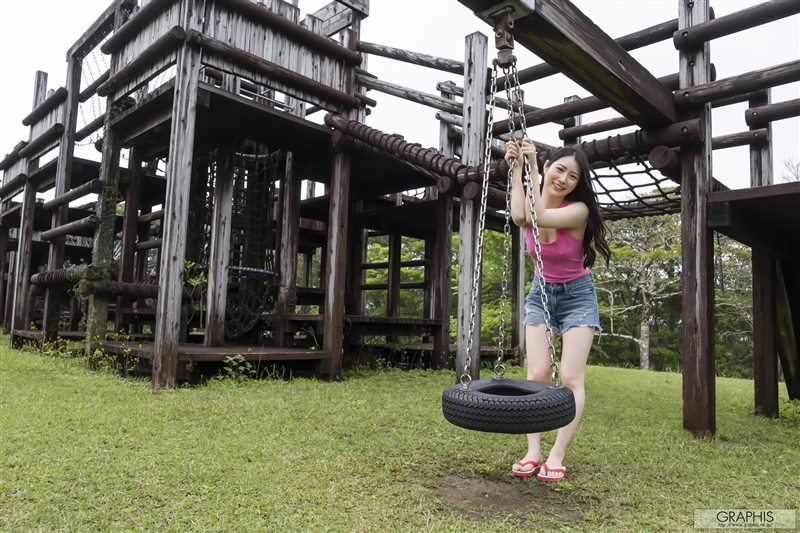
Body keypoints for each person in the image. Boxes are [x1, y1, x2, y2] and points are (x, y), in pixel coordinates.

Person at [504, 138, 611, 482]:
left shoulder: (577, 211)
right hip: (541, 293)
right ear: (550, 166)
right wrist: (517, 169)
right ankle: (533, 451)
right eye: (560, 169)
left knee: (570, 378)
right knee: (536, 373)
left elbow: (540, 217)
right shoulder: (533, 194)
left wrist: (534, 170)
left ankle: (557, 453)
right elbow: (520, 216)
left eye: (573, 177)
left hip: (578, 296)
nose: (564, 179)